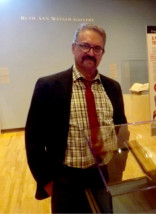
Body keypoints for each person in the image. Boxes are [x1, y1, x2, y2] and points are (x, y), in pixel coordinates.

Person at [25, 23, 128, 213]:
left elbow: (121, 130)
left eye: (97, 48)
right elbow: (33, 141)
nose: (91, 52)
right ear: (73, 48)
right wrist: (47, 182)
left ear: (102, 53)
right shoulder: (48, 86)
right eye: (84, 45)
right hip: (65, 180)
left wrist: (117, 172)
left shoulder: (113, 87)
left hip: (102, 176)